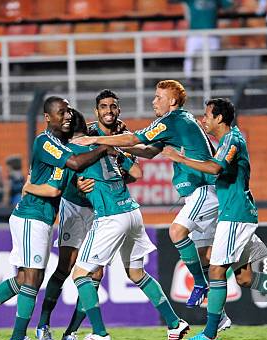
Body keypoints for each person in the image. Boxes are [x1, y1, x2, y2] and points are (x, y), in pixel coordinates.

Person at [0, 96, 113, 340]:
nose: (67, 117)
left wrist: (75, 184)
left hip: (41, 218)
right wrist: (103, 147)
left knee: (25, 279)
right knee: (31, 278)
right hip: (31, 216)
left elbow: (60, 179)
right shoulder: (45, 142)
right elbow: (56, 185)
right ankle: (17, 338)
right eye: (61, 113)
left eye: (69, 114)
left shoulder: (61, 147)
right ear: (48, 117)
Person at [161, 98, 267, 340]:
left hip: (235, 215)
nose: (203, 119)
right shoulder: (226, 141)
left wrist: (179, 159)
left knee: (216, 269)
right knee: (245, 278)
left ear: (219, 118)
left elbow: (215, 169)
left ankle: (210, 334)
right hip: (234, 213)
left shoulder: (233, 140)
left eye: (207, 115)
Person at [26, 121, 190, 340]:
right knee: (137, 273)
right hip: (132, 211)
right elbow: (135, 172)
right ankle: (175, 323)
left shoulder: (74, 151)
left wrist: (29, 187)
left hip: (110, 216)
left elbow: (55, 186)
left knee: (80, 274)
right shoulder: (108, 150)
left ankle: (99, 332)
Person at [73, 80, 221, 314]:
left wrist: (96, 140)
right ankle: (216, 319)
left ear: (172, 101)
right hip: (201, 194)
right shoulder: (177, 122)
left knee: (176, 232)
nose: (153, 101)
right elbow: (150, 151)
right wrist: (116, 148)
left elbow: (134, 141)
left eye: (158, 97)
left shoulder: (172, 120)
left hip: (207, 189)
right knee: (228, 267)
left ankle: (200, 284)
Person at [34, 91, 128, 340]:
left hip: (100, 211)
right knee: (66, 267)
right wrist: (75, 181)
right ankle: (43, 324)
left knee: (95, 273)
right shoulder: (70, 141)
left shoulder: (113, 137)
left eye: (113, 107)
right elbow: (63, 170)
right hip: (75, 208)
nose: (109, 112)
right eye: (104, 107)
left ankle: (71, 332)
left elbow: (134, 172)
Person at [180, 0, 234, 84]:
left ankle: (214, 78)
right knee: (190, 56)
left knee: (214, 57)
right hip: (195, 33)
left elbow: (230, 6)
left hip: (212, 34)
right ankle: (189, 78)